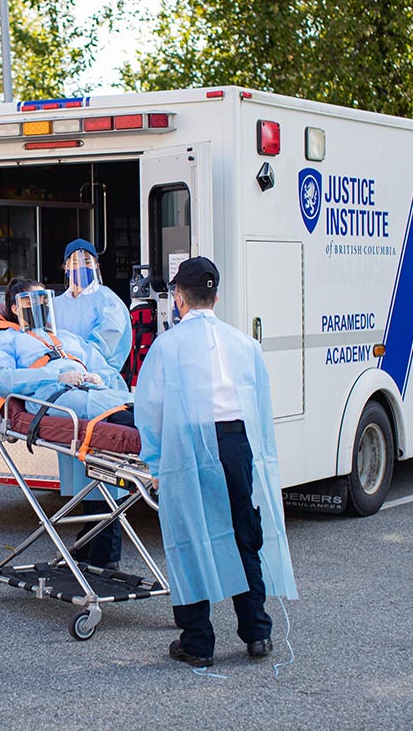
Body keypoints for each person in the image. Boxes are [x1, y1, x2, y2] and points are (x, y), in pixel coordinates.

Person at [134, 256, 298, 667]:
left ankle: (198, 641)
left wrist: (154, 464)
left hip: (189, 445)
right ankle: (257, 633)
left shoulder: (167, 345)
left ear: (179, 298)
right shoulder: (244, 343)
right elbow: (259, 404)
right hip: (237, 443)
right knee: (244, 533)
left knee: (190, 535)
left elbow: (150, 408)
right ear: (216, 296)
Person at [0, 278, 133, 569]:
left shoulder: (66, 338)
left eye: (43, 299)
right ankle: (101, 552)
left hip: (91, 392)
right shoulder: (4, 340)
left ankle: (97, 551)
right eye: (32, 301)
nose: (41, 307)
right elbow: (3, 380)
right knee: (117, 415)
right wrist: (53, 377)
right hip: (52, 397)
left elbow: (101, 364)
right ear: (15, 307)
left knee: (125, 407)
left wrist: (99, 377)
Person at [53, 239, 132, 392]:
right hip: (61, 381)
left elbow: (105, 344)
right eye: (75, 262)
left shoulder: (108, 301)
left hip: (100, 382)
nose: (82, 267)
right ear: (65, 267)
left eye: (88, 262)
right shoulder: (55, 305)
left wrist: (81, 369)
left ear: (97, 265)